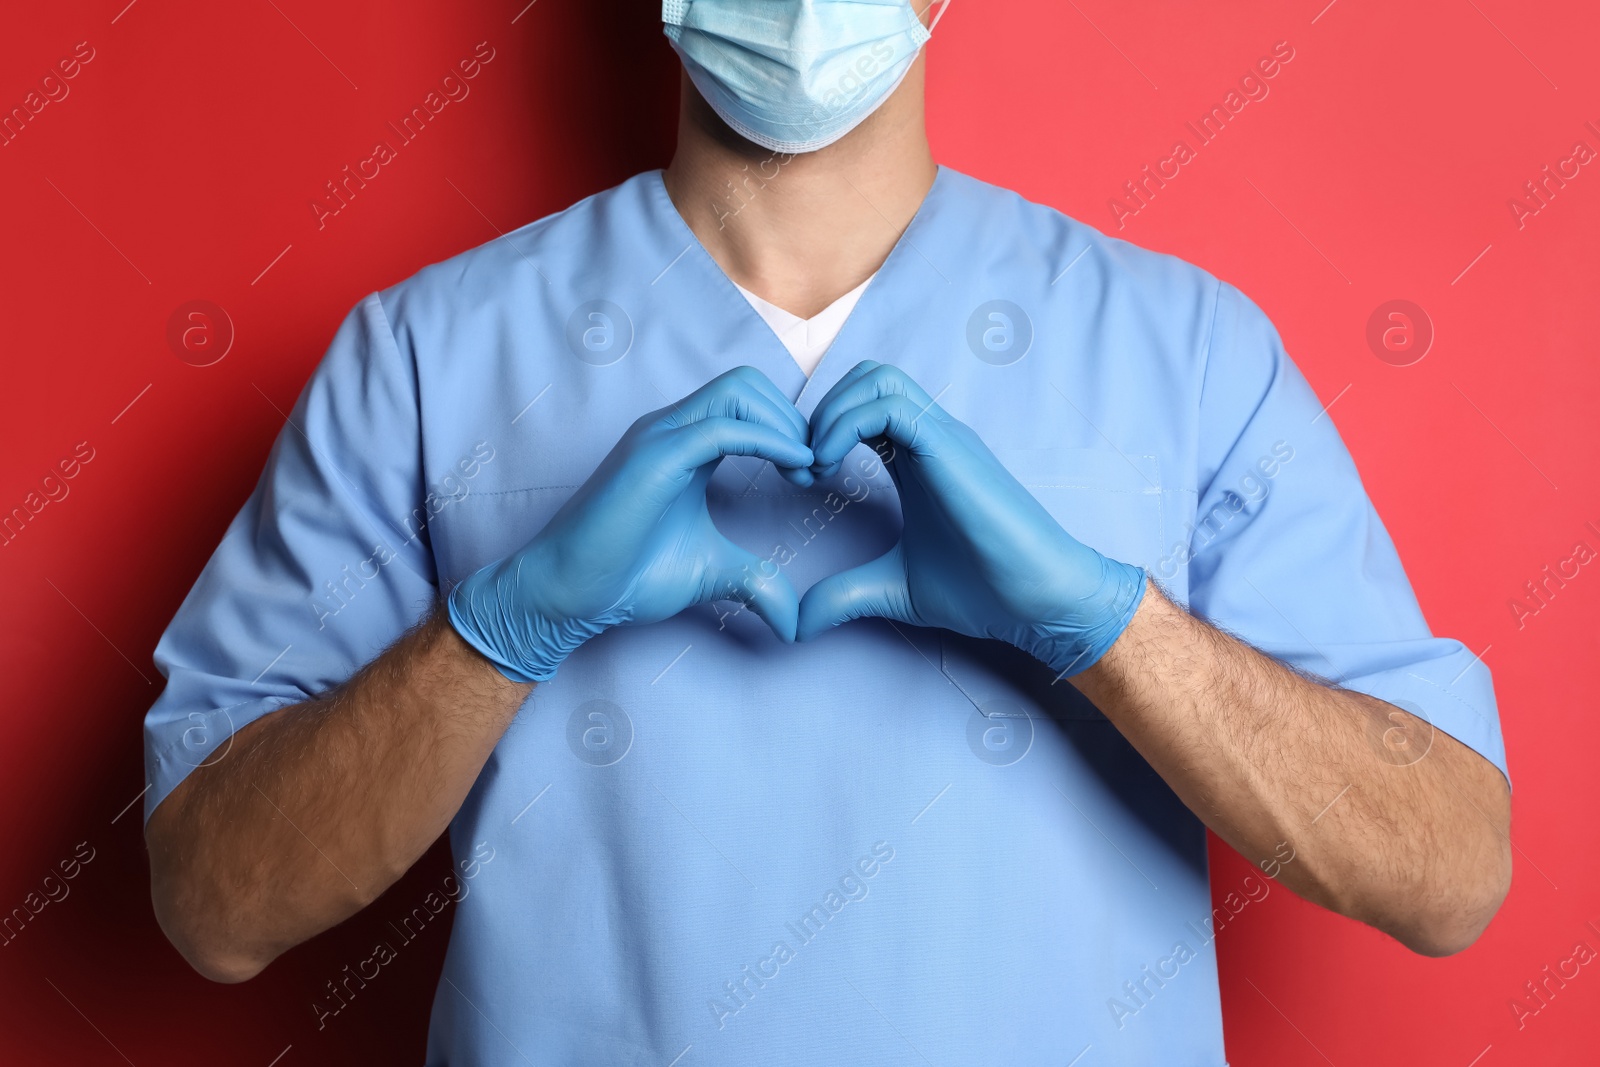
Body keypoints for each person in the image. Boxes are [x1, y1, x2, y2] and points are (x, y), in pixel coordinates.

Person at [142, 1, 1511, 1062]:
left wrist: (1110, 622)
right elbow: (213, 905)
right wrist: (501, 629)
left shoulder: (1185, 349)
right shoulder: (429, 357)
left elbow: (1448, 869)